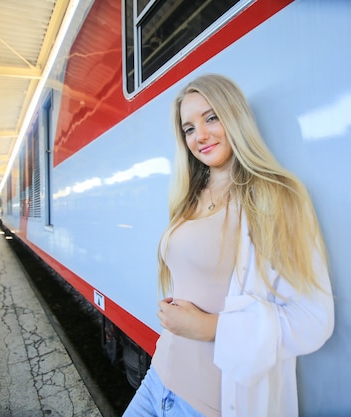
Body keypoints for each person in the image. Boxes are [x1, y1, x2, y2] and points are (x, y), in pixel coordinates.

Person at [122, 74, 334, 417]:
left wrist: (208, 327)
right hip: (158, 377)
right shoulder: (189, 197)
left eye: (211, 117)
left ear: (234, 115)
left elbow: (313, 320)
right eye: (188, 128)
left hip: (207, 404)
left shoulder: (277, 197)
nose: (199, 136)